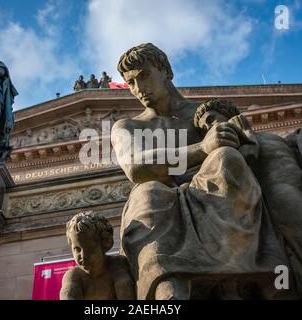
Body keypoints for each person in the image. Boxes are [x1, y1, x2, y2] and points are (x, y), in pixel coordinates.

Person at [111, 43, 288, 300]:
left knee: (227, 159)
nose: (139, 89)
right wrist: (203, 147)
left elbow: (252, 152)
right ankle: (169, 291)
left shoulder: (206, 115)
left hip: (212, 194)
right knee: (148, 194)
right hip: (159, 199)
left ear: (166, 71)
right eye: (131, 83)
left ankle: (233, 282)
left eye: (144, 76)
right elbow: (137, 168)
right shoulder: (127, 126)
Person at [194, 99, 302, 299]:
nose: (209, 127)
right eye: (204, 127)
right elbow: (243, 164)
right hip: (281, 194)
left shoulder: (271, 137)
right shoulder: (229, 147)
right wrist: (243, 134)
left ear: (227, 112)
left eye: (210, 120)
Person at [60, 211, 136, 300]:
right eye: (77, 249)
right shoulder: (74, 275)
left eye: (90, 249)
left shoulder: (117, 266)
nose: (83, 256)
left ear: (105, 243)